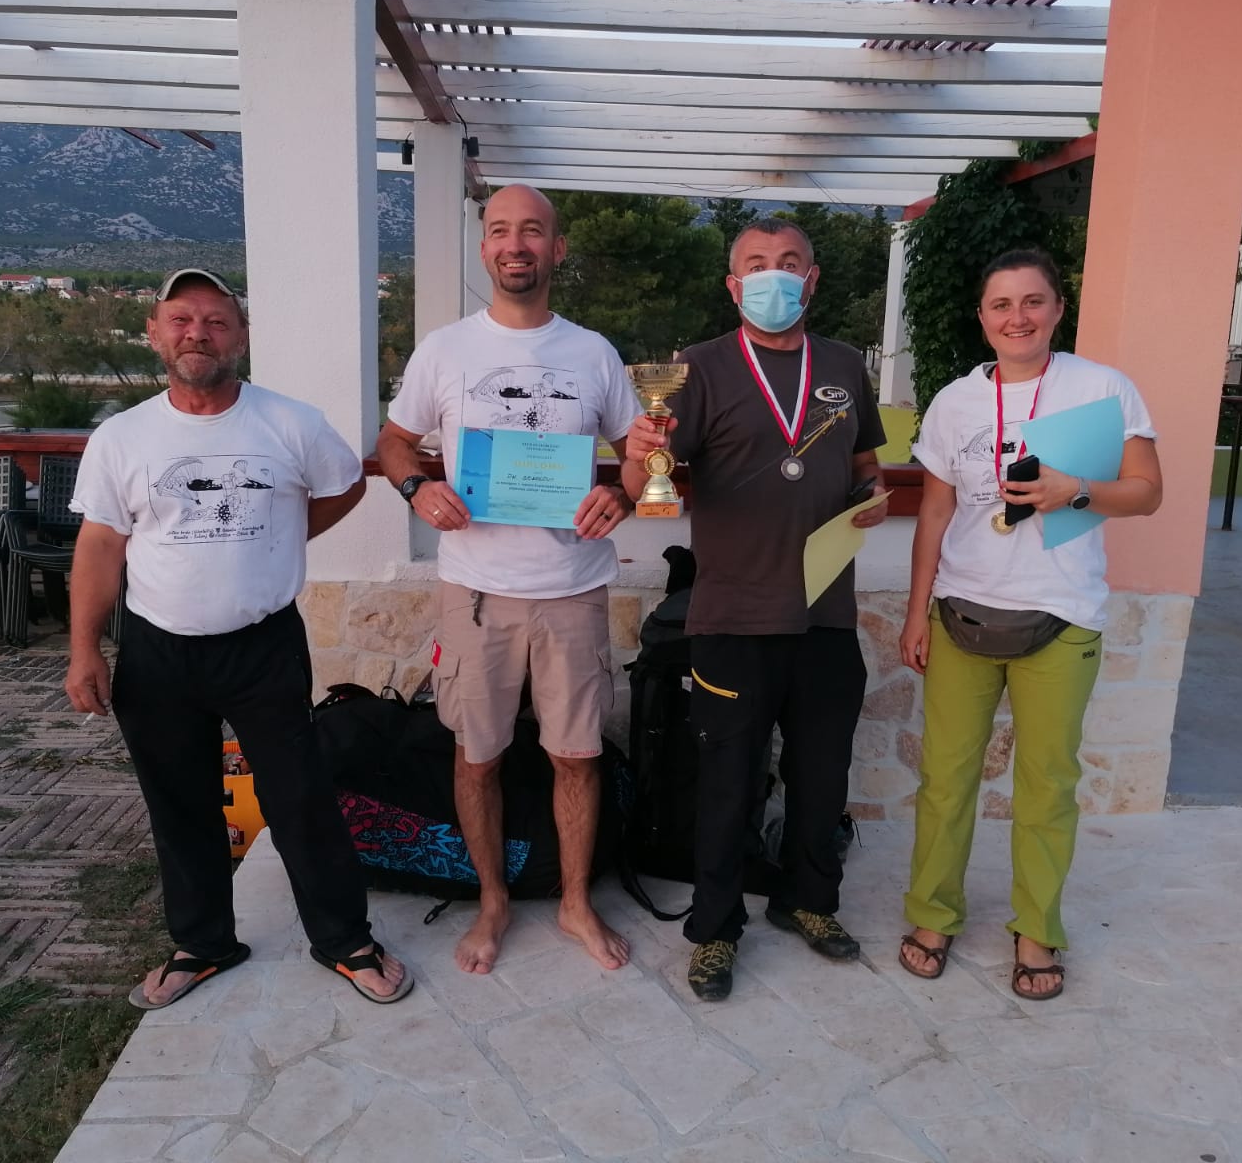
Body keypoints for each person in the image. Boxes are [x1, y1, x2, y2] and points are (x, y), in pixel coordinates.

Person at [65, 267, 412, 1009]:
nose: (199, 333)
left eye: (216, 321)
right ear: (155, 334)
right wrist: (84, 648)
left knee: (300, 798)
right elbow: (99, 545)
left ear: (241, 337)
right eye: (182, 319)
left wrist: (283, 535)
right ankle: (203, 943)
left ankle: (344, 939)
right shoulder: (122, 437)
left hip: (263, 646)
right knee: (179, 803)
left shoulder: (290, 422)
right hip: (157, 649)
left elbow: (345, 484)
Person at [620, 218, 890, 1002]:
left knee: (821, 776)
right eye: (758, 264)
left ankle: (808, 899)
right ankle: (714, 929)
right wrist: (638, 450)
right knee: (727, 783)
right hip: (733, 616)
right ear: (734, 286)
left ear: (812, 279)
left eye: (790, 262)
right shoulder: (698, 367)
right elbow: (648, 484)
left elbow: (866, 465)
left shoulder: (844, 364)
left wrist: (873, 495)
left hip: (825, 612)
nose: (776, 275)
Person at [376, 185, 640, 977]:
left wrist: (624, 494)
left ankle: (574, 902)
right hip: (477, 593)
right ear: (485, 247)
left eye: (532, 231)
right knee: (478, 758)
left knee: (577, 756)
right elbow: (394, 441)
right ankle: (493, 901)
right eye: (499, 230)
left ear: (557, 249)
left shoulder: (593, 353)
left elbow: (640, 452)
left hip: (572, 590)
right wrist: (416, 487)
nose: (515, 244)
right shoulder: (445, 350)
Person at [897, 248, 1163, 1001]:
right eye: (1001, 304)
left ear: (1057, 308)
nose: (1018, 317)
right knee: (946, 781)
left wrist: (1075, 489)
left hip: (1063, 613)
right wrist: (916, 613)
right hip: (962, 613)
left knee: (1047, 786)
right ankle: (933, 914)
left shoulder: (1102, 388)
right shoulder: (955, 402)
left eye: (1033, 301)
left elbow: (1147, 492)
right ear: (982, 318)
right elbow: (935, 514)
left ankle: (1037, 928)